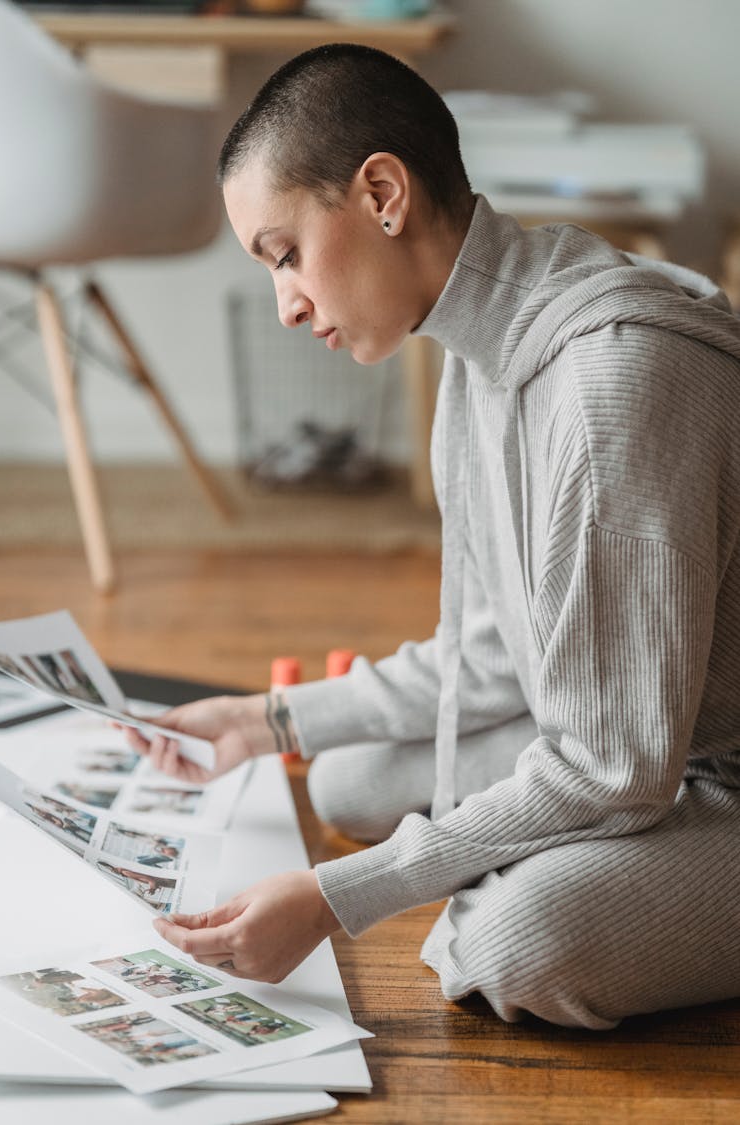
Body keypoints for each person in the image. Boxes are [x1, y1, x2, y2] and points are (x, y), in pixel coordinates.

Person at [124, 43, 740, 1031]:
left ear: (380, 194)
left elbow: (616, 764)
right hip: (640, 741)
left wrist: (343, 898)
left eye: (285, 254)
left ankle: (549, 879)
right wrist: (263, 722)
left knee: (512, 944)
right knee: (348, 776)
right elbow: (496, 657)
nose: (286, 303)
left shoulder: (608, 381)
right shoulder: (476, 348)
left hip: (695, 770)